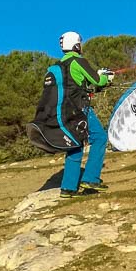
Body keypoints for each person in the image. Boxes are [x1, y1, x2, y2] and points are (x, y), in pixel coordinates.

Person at [40, 31, 115, 198]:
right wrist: (106, 77)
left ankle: (68, 188)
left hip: (63, 112)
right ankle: (91, 179)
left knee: (75, 144)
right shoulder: (78, 61)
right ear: (76, 45)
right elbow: (97, 80)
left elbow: (77, 85)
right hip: (80, 109)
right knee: (100, 138)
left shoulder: (58, 66)